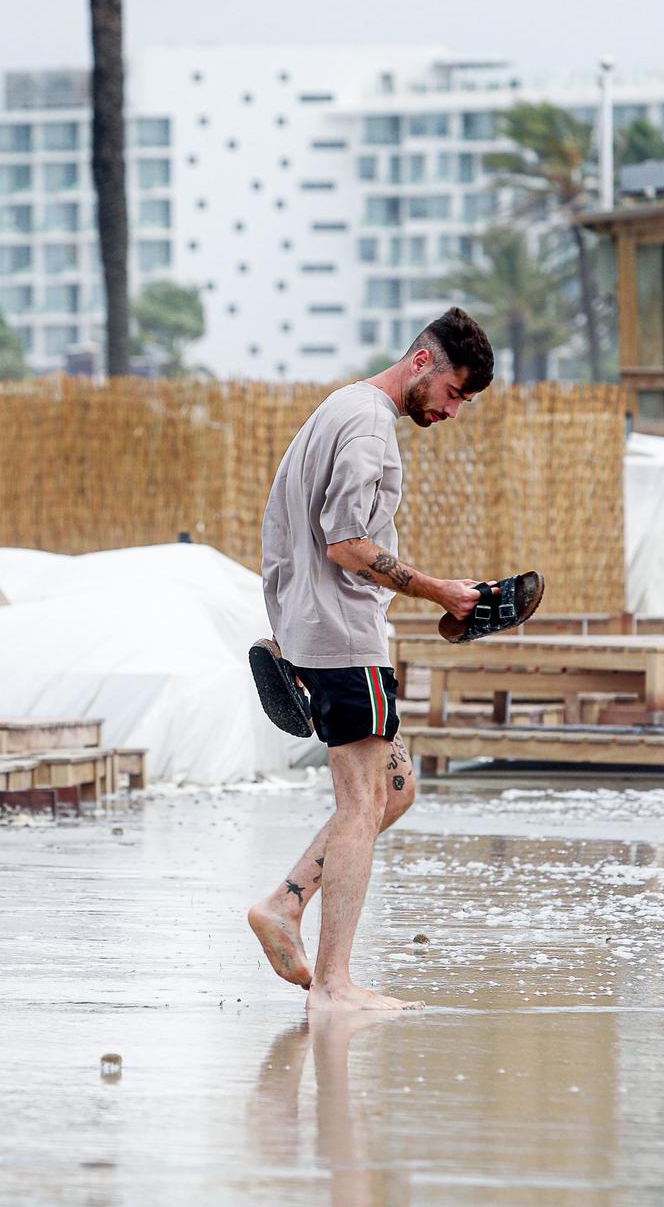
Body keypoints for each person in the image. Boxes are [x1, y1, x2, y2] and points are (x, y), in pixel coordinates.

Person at [246, 308, 494, 1012]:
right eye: (454, 393)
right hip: (342, 635)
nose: (452, 410)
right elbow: (346, 542)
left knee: (396, 788)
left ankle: (285, 902)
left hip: (318, 626)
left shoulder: (341, 406)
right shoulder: (368, 424)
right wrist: (441, 589)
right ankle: (334, 984)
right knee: (361, 804)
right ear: (423, 362)